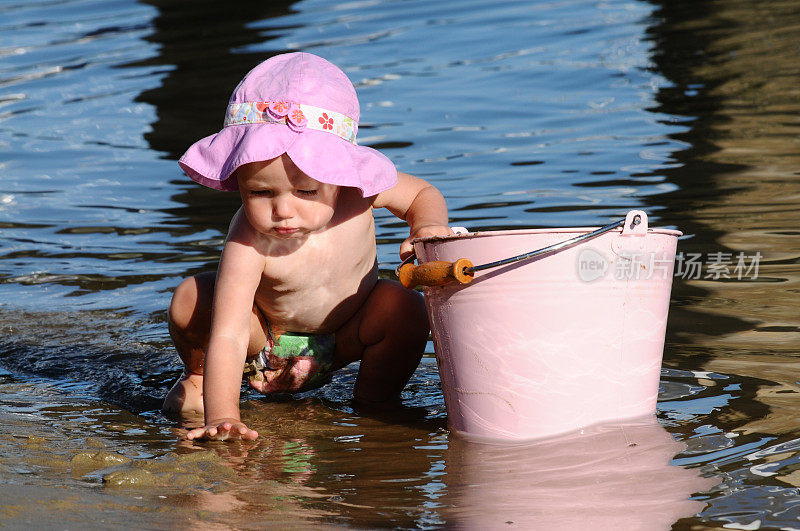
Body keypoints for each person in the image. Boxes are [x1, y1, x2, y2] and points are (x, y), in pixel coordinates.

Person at [163, 52, 453, 441]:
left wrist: (427, 226)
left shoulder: (361, 192)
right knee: (191, 297)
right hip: (261, 342)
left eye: (305, 190)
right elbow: (230, 334)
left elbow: (421, 193)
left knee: (403, 306)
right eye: (260, 192)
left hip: (345, 336)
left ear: (339, 176)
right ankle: (201, 378)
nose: (283, 210)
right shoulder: (249, 238)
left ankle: (376, 402)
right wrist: (223, 416)